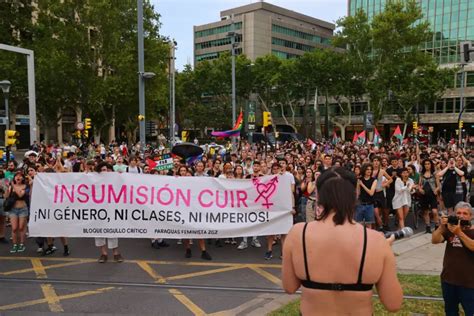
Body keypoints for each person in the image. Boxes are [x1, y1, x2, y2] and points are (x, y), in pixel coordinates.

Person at [282, 167, 402, 315]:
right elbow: (393, 303)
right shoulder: (376, 241)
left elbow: (289, 287)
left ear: (318, 195)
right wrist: (386, 254)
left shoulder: (297, 234)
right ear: (355, 194)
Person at [432, 201, 474, 316]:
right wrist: (441, 227)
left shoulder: (470, 230)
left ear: (471, 216)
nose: (461, 216)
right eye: (458, 213)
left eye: (465, 213)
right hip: (449, 280)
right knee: (450, 312)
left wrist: (459, 233)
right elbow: (435, 240)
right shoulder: (450, 228)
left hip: (469, 283)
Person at [94, 162, 123, 263]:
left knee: (113, 231)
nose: (104, 172)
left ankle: (116, 253)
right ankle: (103, 253)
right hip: (98, 210)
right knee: (99, 232)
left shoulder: (115, 180)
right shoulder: (95, 181)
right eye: (102, 170)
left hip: (111, 210)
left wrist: (121, 176)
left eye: (106, 170)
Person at [4, 171, 30, 253]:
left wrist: (13, 185)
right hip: (13, 209)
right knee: (14, 228)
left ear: (22, 178)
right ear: (14, 178)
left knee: (21, 227)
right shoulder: (11, 187)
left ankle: (22, 244)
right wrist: (7, 188)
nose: (18, 177)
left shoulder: (25, 186)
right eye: (16, 176)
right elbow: (6, 196)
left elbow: (20, 195)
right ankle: (15, 245)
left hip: (23, 209)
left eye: (20, 176)